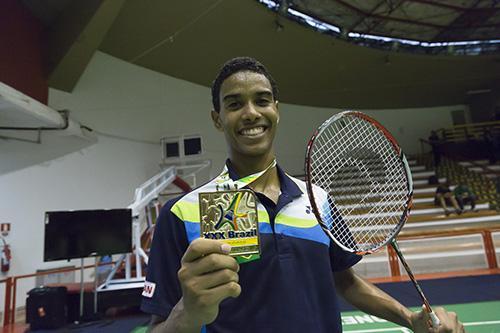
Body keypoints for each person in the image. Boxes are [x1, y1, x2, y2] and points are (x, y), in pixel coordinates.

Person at [142, 57, 464, 333]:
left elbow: (346, 282)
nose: (251, 113)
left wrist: (409, 318)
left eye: (262, 100)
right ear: (217, 118)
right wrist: (189, 314)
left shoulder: (319, 200)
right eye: (235, 104)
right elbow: (158, 324)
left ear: (277, 111)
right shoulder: (182, 212)